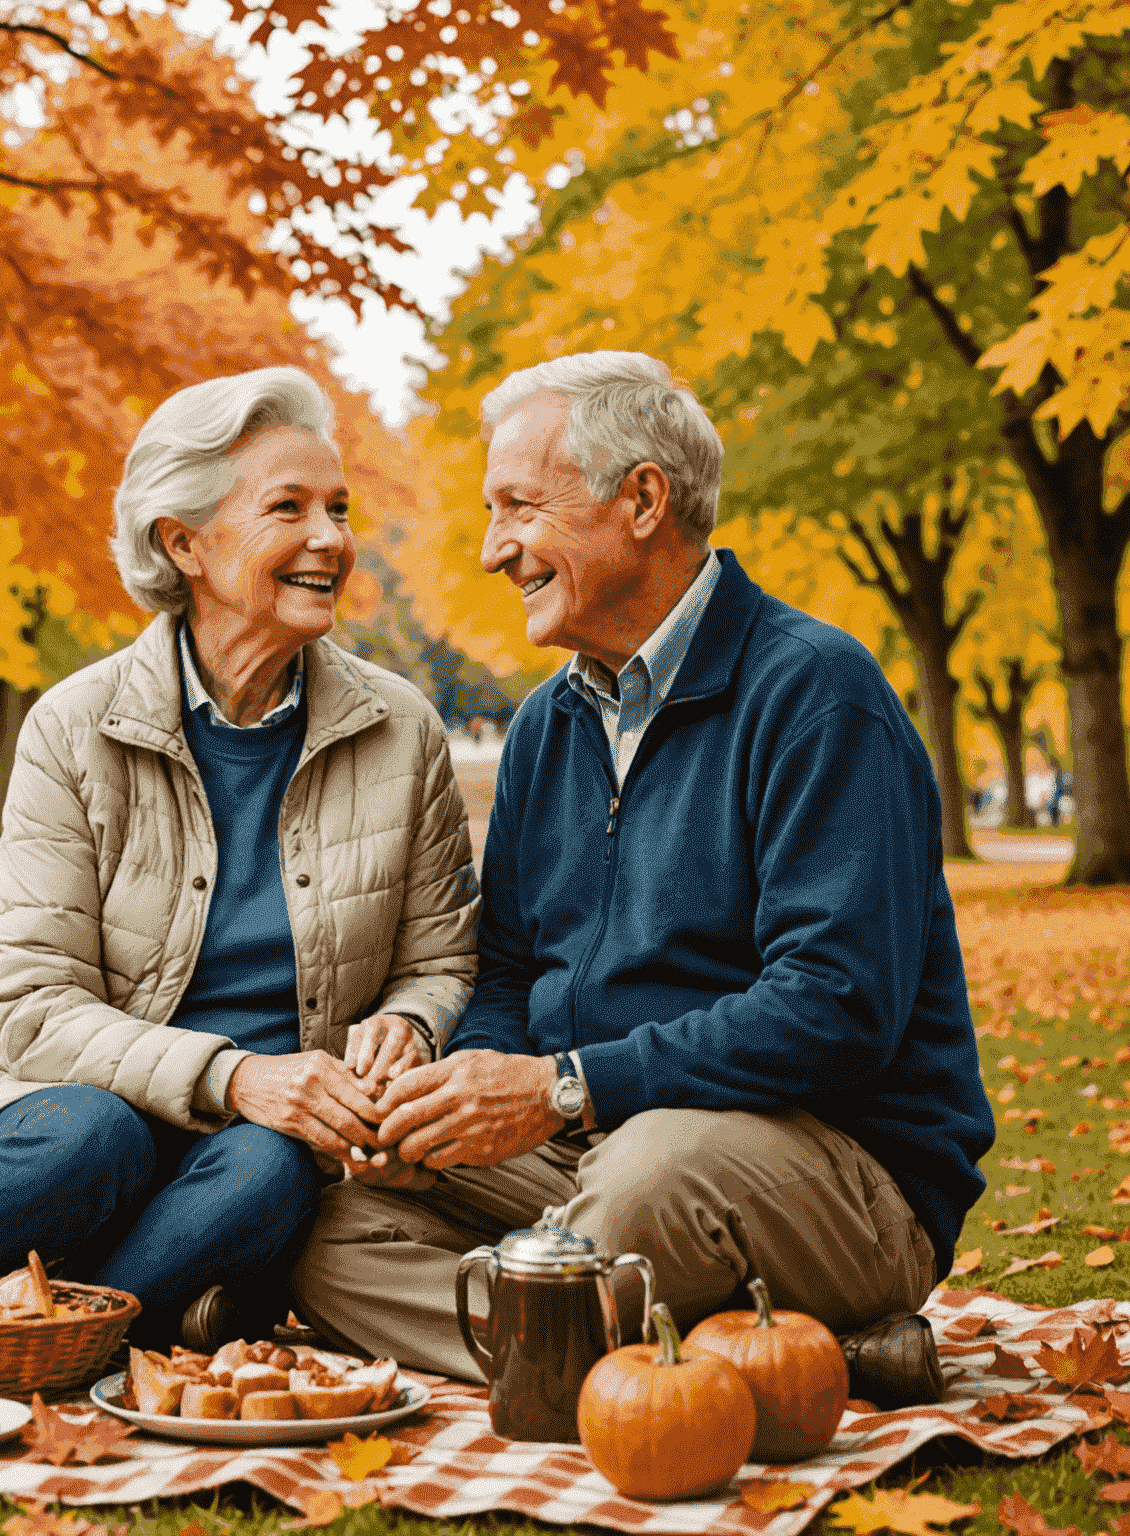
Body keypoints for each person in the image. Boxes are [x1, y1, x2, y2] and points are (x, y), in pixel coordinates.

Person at [291, 351, 994, 1401]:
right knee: (329, 1213)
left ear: (643, 500)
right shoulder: (545, 729)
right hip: (594, 1147)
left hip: (839, 1173)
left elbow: (837, 1008)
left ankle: (578, 1352)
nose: (494, 550)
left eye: (520, 506)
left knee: (640, 1188)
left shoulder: (816, 694)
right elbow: (510, 973)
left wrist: (563, 1087)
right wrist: (454, 1101)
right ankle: (743, 1362)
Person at [0, 367, 479, 1347]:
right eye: (289, 508)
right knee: (96, 1134)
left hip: (264, 1149)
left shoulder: (404, 729)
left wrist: (408, 1025)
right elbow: (34, 1008)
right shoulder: (75, 728)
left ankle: (65, 1339)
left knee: (271, 1167)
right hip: (77, 1124)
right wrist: (235, 1077)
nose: (331, 541)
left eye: (338, 509)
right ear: (186, 543)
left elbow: (439, 959)